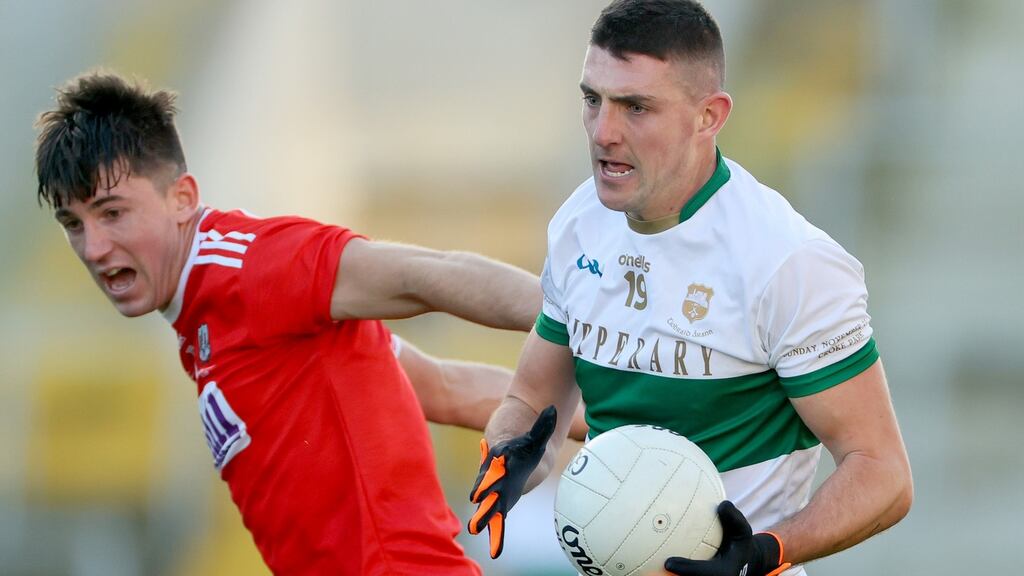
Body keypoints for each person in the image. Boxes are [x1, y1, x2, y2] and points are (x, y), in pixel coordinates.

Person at [33, 71, 585, 576]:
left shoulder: (251, 264)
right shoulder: (199, 313)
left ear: (182, 198)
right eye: (72, 224)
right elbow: (442, 388)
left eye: (112, 213)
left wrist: (598, 331)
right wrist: (627, 416)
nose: (94, 247)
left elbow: (428, 275)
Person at [467, 1, 913, 575]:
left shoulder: (786, 261)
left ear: (710, 116)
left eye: (637, 107)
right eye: (592, 99)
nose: (604, 132)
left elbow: (882, 472)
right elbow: (531, 402)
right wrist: (509, 452)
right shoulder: (579, 224)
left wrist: (765, 551)